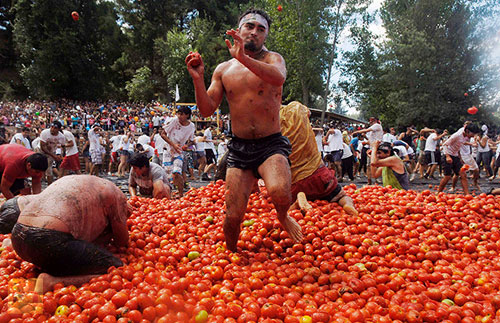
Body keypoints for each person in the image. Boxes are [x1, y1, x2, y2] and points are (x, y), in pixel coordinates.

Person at [186, 8, 302, 252]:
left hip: (271, 143)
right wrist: (198, 79)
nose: (255, 32)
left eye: (261, 29)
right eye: (250, 26)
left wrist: (243, 59)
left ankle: (282, 216)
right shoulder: (223, 69)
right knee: (233, 217)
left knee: (280, 192)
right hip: (239, 148)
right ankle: (231, 255)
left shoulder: (273, 60)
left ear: (266, 36)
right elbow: (206, 110)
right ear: (238, 31)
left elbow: (278, 78)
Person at [2, 175, 130, 293]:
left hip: (18, 235)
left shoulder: (80, 181)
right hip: (49, 241)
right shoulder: (116, 197)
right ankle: (53, 282)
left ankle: (9, 245)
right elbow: (121, 241)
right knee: (117, 269)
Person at [281, 102, 358, 215]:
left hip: (295, 181)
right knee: (341, 196)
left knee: (287, 209)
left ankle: (297, 202)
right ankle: (347, 204)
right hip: (319, 174)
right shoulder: (295, 107)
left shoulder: (271, 121)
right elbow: (308, 112)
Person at [159, 106, 195, 197]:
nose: (179, 116)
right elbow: (163, 134)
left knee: (177, 172)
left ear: (187, 115)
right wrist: (173, 145)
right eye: (178, 114)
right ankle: (169, 194)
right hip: (168, 150)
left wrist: (186, 145)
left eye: (181, 114)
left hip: (179, 151)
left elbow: (191, 140)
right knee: (167, 174)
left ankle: (180, 193)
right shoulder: (173, 121)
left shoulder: (191, 126)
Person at [437, 123, 480, 195]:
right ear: (467, 131)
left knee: (463, 175)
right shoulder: (457, 135)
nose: (473, 136)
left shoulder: (466, 136)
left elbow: (461, 144)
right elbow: (445, 144)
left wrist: (460, 158)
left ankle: (467, 194)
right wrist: (447, 156)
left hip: (455, 156)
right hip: (447, 155)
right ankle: (439, 193)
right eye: (473, 134)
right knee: (447, 177)